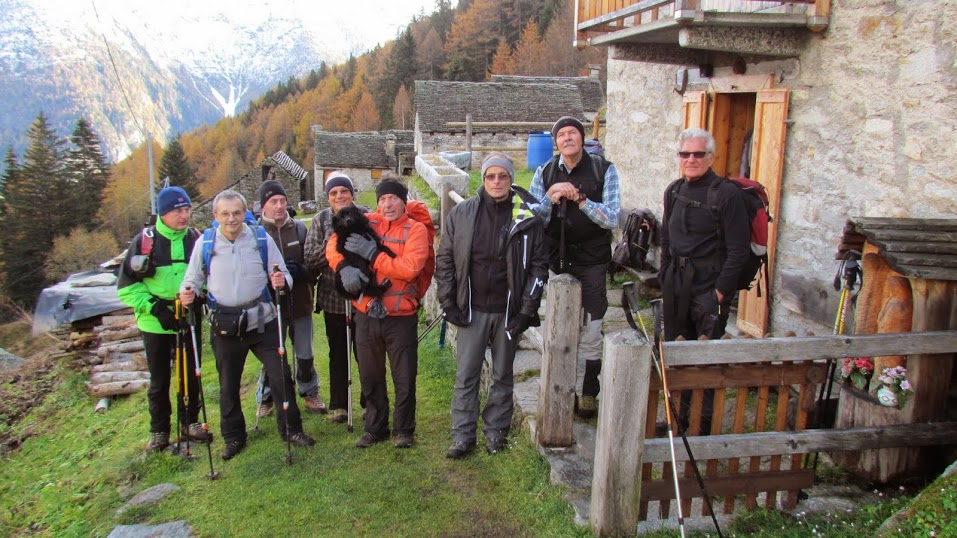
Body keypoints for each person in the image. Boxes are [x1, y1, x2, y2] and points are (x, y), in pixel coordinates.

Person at [180, 189, 315, 460]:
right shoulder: (205, 243)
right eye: (225, 214)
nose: (231, 219)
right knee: (228, 385)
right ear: (216, 215)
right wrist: (186, 293)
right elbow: (192, 280)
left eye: (237, 213)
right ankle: (233, 437)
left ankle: (292, 429)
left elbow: (283, 273)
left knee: (281, 376)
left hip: (262, 321)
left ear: (245, 213)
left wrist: (282, 281)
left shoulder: (260, 238)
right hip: (225, 325)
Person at [438, 153, 548, 458]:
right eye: (490, 176)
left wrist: (526, 311)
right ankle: (462, 435)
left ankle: (496, 432)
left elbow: (539, 267)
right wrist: (448, 301)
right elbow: (445, 259)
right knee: (466, 374)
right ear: (483, 179)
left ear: (511, 179)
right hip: (471, 309)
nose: (496, 181)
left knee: (502, 374)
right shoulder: (462, 214)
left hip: (507, 311)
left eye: (503, 176)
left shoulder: (527, 218)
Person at [326, 177, 430, 449]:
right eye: (382, 199)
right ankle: (375, 428)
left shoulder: (416, 230)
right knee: (370, 375)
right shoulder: (368, 221)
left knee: (404, 376)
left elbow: (410, 268)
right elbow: (334, 243)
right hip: (366, 313)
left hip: (401, 315)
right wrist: (343, 267)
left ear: (403, 201)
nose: (387, 204)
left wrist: (373, 255)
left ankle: (404, 430)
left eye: (393, 198)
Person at [659, 127, 750, 434]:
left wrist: (720, 294)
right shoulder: (673, 190)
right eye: (685, 154)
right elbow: (666, 238)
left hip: (709, 286)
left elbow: (738, 250)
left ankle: (703, 427)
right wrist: (664, 276)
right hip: (677, 284)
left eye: (699, 154)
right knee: (676, 351)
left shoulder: (726, 194)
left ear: (711, 157)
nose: (691, 159)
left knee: (706, 358)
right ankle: (678, 419)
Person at [529, 116, 620, 419]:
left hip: (592, 259)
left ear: (582, 138)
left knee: (592, 328)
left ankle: (589, 392)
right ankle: (559, 387)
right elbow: (532, 218)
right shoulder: (545, 171)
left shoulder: (603, 169)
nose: (567, 138)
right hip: (557, 258)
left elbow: (612, 218)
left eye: (573, 133)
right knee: (560, 324)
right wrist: (550, 197)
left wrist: (581, 200)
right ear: (556, 142)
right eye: (562, 135)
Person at [117, 186, 211, 451]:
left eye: (187, 209)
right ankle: (159, 430)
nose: (184, 216)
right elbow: (126, 287)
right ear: (163, 213)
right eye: (177, 211)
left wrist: (200, 296)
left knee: (191, 373)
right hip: (154, 321)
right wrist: (156, 309)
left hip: (188, 316)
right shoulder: (144, 242)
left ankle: (190, 422)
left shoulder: (196, 239)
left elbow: (209, 275)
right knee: (159, 380)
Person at [254, 180, 327, 417]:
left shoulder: (298, 229)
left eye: (282, 201)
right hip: (269, 306)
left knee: (304, 352)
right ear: (263, 205)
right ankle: (266, 397)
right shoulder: (256, 233)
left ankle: (309, 391)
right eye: (273, 201)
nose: (279, 206)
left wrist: (301, 271)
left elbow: (312, 263)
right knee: (273, 354)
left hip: (300, 302)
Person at [303, 172, 368, 424]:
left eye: (344, 191)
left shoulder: (365, 214)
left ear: (351, 193)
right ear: (328, 197)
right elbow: (310, 259)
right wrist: (334, 241)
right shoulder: (320, 221)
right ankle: (340, 405)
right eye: (333, 193)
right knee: (338, 353)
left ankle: (369, 401)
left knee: (366, 352)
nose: (339, 196)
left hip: (363, 297)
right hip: (333, 299)